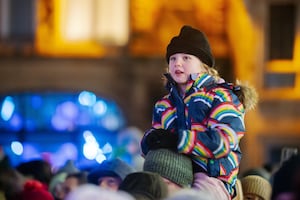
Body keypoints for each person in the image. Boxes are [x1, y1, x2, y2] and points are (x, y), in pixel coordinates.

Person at [141, 25, 258, 199]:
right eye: (172, 59)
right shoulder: (164, 104)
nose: (177, 63)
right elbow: (159, 140)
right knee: (144, 189)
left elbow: (224, 141)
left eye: (186, 58)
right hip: (173, 172)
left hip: (212, 176)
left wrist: (179, 140)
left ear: (203, 66)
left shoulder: (220, 96)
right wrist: (150, 140)